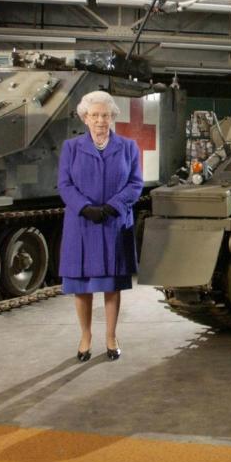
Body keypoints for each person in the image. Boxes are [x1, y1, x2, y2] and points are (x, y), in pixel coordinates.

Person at [58, 90, 143, 362]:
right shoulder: (71, 148)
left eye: (105, 115)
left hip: (113, 223)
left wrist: (112, 207)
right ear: (85, 118)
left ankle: (111, 336)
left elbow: (135, 183)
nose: (100, 120)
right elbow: (64, 184)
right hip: (81, 224)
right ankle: (85, 336)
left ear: (112, 117)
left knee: (111, 286)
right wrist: (84, 207)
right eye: (94, 115)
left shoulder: (128, 147)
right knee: (81, 287)